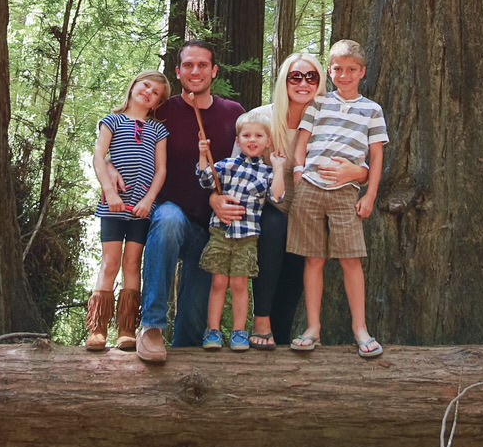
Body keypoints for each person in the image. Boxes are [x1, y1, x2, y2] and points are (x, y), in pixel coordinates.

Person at [133, 40, 245, 363]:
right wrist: (109, 170)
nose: (195, 71)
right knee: (168, 219)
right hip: (168, 218)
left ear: (214, 70)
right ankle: (152, 326)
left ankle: (184, 377)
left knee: (193, 327)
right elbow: (125, 132)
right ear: (179, 72)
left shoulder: (233, 114)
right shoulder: (162, 112)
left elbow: (245, 166)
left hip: (211, 231)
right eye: (188, 66)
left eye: (202, 65)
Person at [250, 52, 364, 348]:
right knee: (275, 230)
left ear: (320, 81)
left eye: (311, 76)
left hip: (312, 207)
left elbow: (362, 159)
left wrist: (359, 172)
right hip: (268, 207)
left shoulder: (331, 117)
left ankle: (284, 336)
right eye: (296, 76)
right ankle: (260, 321)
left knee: (299, 264)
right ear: (284, 81)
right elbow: (239, 169)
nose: (304, 83)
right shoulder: (259, 118)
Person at [288, 39, 388, 358]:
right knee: (313, 259)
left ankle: (360, 329)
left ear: (362, 72)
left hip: (347, 192)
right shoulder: (318, 104)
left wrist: (370, 193)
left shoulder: (371, 110)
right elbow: (303, 139)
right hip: (311, 187)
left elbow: (376, 154)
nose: (344, 75)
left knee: (350, 260)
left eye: (351, 70)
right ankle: (313, 328)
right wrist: (299, 170)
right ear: (330, 71)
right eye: (338, 69)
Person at [85, 70, 170, 351]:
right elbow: (99, 156)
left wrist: (149, 200)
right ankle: (97, 329)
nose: (149, 92)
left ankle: (126, 329)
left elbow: (161, 170)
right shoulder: (112, 121)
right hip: (113, 205)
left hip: (141, 208)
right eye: (146, 85)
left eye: (156, 92)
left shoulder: (158, 130)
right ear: (133, 86)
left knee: (132, 263)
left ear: (158, 102)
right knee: (110, 262)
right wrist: (109, 190)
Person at [195, 106, 287, 351]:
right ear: (238, 140)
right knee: (218, 283)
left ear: (267, 141)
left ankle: (239, 332)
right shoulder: (226, 165)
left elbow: (277, 197)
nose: (252, 140)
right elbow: (205, 179)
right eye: (246, 136)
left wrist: (278, 168)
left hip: (247, 236)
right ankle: (212, 331)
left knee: (239, 284)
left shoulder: (267, 173)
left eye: (258, 136)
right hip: (221, 233)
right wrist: (203, 155)